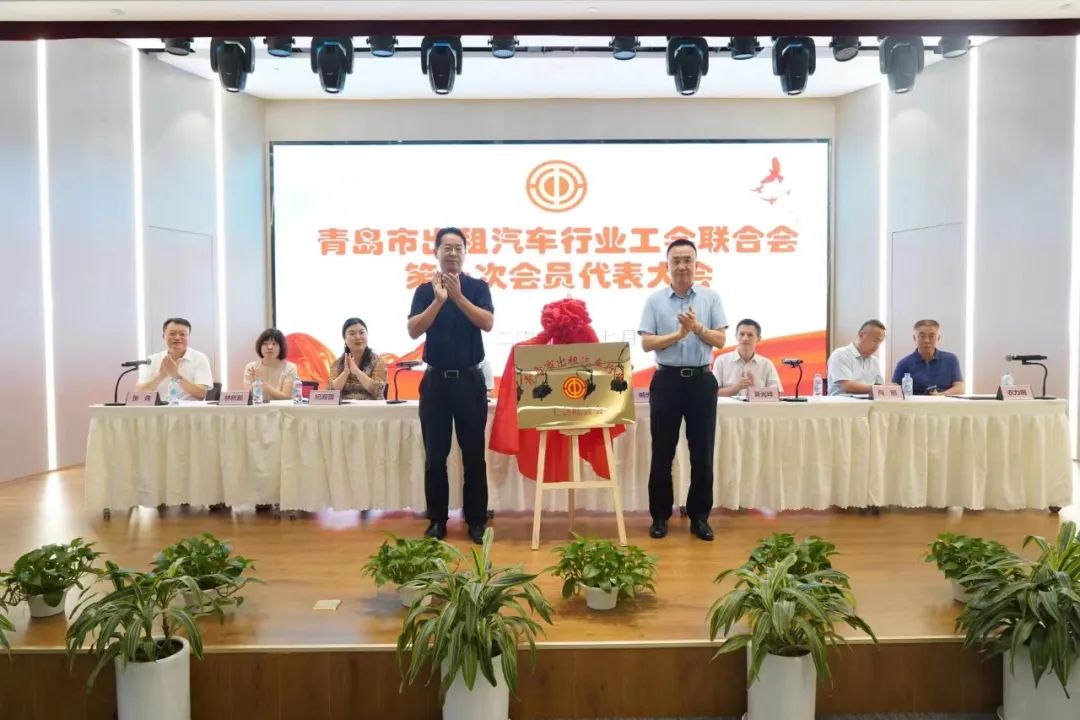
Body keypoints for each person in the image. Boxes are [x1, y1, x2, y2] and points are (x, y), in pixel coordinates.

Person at [407, 227, 494, 544]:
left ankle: (476, 521)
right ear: (436, 253)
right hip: (436, 382)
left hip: (470, 380)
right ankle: (437, 520)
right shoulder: (424, 290)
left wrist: (457, 297)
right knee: (435, 456)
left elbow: (487, 322)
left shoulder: (478, 287)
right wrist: (439, 301)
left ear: (465, 253)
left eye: (458, 248)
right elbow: (413, 330)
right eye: (447, 247)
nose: (453, 253)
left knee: (474, 455)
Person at [638, 238, 727, 542]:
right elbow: (646, 342)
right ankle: (659, 516)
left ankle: (699, 517)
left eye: (687, 260)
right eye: (676, 260)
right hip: (667, 381)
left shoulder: (711, 298)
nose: (682, 266)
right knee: (662, 452)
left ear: (696, 264)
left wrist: (697, 328)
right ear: (667, 266)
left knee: (702, 452)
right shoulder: (655, 301)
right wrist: (678, 334)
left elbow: (720, 340)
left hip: (702, 381)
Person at [136, 317, 213, 401]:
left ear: (188, 337)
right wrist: (160, 376)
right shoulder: (152, 360)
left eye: (182, 334)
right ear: (163, 336)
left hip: (190, 408)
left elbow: (202, 394)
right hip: (160, 408)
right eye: (172, 334)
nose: (177, 337)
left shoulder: (200, 359)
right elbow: (139, 392)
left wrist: (176, 376)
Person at [712, 318, 783, 398]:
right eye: (742, 334)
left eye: (750, 335)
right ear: (736, 336)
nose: (745, 338)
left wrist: (754, 392)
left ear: (759, 338)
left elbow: (777, 393)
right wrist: (737, 387)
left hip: (758, 406)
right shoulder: (721, 361)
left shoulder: (766, 364)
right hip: (729, 406)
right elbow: (713, 393)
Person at [891, 319, 964, 395]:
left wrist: (941, 395)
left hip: (943, 401)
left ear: (938, 338)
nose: (926, 340)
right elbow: (893, 390)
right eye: (922, 336)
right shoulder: (904, 363)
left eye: (931, 336)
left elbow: (960, 388)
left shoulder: (951, 360)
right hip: (915, 402)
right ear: (914, 338)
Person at [328, 318, 387, 400]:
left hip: (371, 407)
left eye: (362, 332)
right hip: (345, 407)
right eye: (352, 334)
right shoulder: (337, 364)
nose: (358, 337)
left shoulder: (377, 361)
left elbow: (377, 390)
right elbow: (330, 392)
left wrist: (356, 371)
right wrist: (345, 373)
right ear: (344, 339)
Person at [827, 319, 887, 395]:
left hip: (868, 402)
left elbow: (880, 386)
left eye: (880, 342)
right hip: (843, 401)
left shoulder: (874, 361)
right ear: (861, 335)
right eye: (875, 340)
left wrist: (886, 389)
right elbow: (847, 386)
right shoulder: (840, 355)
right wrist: (878, 389)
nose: (877, 345)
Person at [243, 328, 299, 401]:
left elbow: (286, 397)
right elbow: (248, 396)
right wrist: (255, 384)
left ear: (281, 347)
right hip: (258, 407)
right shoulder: (251, 367)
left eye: (274, 344)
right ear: (260, 346)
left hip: (282, 408)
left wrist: (263, 384)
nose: (269, 347)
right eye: (265, 344)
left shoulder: (290, 368)